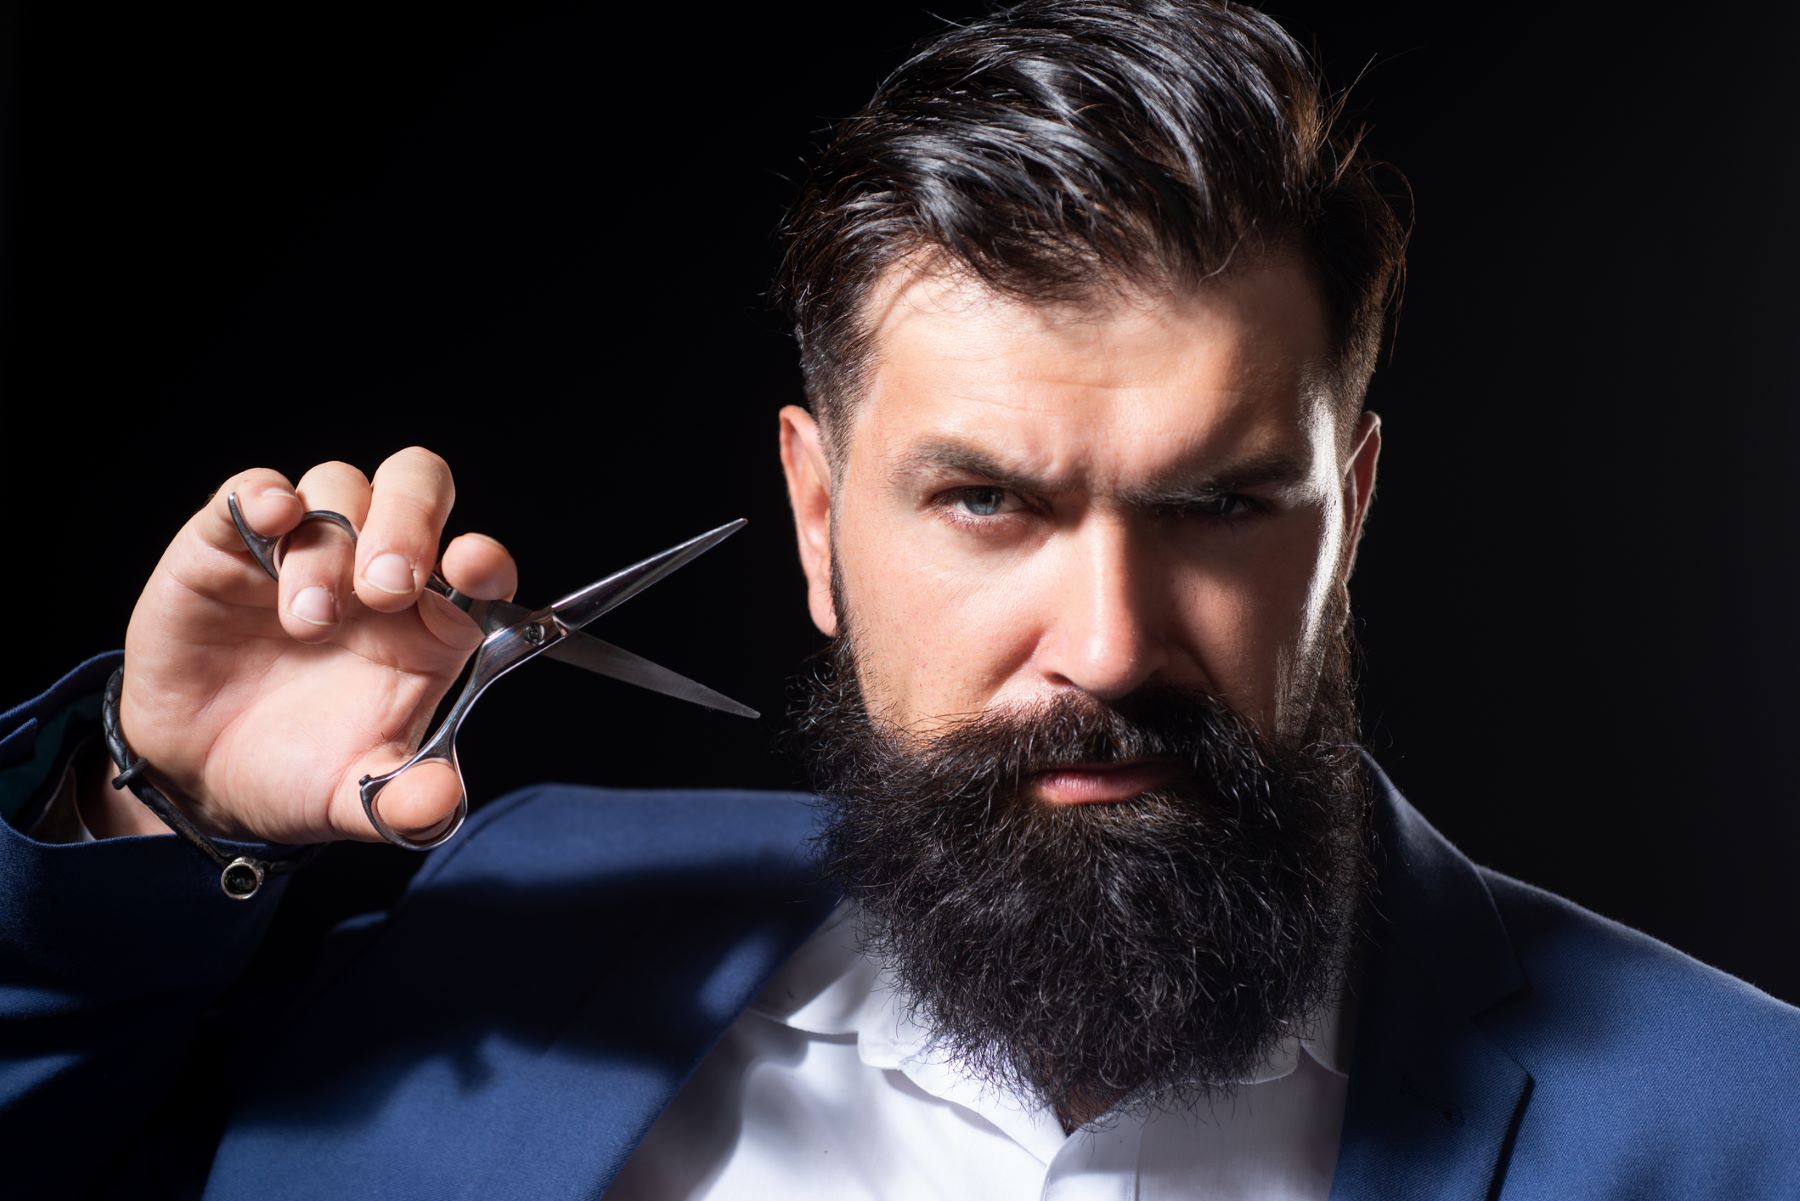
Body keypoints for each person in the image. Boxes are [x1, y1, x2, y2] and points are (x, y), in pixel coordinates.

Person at [3, 1, 1797, 1198]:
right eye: (986, 501)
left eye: (1226, 505)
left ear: (1354, 514)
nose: (1105, 640)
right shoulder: (495, 918)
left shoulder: (1750, 1122)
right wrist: (147, 808)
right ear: (814, 518)